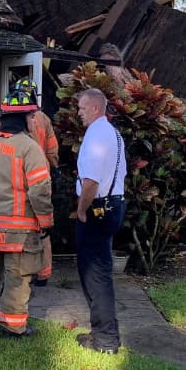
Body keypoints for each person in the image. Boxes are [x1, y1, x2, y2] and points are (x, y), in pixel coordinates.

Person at [0, 87, 54, 338]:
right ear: (25, 118)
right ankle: (13, 327)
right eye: (31, 116)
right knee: (18, 276)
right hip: (20, 230)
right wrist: (46, 221)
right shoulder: (29, 148)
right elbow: (39, 191)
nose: (33, 120)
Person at [73, 86, 127, 354]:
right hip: (114, 205)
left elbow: (91, 181)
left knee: (95, 274)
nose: (79, 113)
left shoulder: (96, 135)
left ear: (95, 108)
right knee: (99, 270)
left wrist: (82, 210)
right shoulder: (113, 134)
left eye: (82, 108)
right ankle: (103, 334)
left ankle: (105, 340)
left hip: (97, 208)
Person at [14, 77, 59, 287]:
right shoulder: (44, 119)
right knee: (43, 225)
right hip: (42, 178)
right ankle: (44, 272)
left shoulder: (14, 118)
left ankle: (26, 271)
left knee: (23, 225)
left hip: (21, 178)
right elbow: (52, 150)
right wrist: (53, 169)